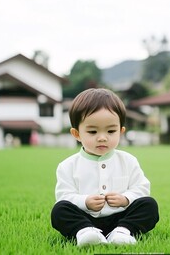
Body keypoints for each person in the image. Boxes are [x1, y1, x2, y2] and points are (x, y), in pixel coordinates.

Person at [51, 88, 159, 247]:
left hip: (121, 216)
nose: (102, 137)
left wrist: (125, 199)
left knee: (149, 205)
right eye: (93, 131)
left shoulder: (128, 161)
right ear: (77, 134)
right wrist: (85, 201)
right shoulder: (68, 166)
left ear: (121, 131)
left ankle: (122, 232)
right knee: (59, 210)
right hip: (85, 217)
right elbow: (64, 196)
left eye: (111, 131)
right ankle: (86, 233)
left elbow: (142, 188)